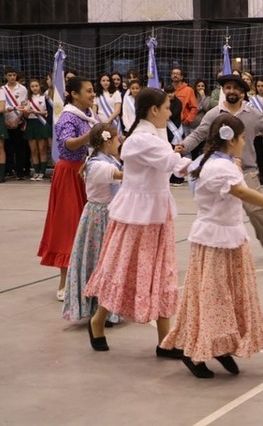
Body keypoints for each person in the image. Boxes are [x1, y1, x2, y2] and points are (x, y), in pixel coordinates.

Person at [160, 114, 263, 379]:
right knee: (215, 296)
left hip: (225, 235)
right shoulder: (219, 168)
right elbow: (241, 192)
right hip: (217, 239)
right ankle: (195, 351)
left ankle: (219, 345)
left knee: (226, 295)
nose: (244, 142)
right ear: (229, 139)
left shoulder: (210, 161)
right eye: (242, 137)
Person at [84, 87, 191, 355]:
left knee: (160, 273)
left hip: (155, 213)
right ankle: (98, 320)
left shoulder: (151, 135)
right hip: (137, 216)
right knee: (125, 269)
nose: (169, 113)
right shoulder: (143, 139)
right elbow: (173, 164)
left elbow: (170, 162)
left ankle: (164, 339)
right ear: (153, 110)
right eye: (167, 107)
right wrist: (211, 164)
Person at [177, 74, 263, 260]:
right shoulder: (213, 114)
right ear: (223, 91)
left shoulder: (252, 114)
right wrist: (183, 146)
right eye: (228, 87)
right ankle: (220, 247)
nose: (232, 91)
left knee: (255, 210)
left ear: (243, 93)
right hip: (220, 170)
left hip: (247, 171)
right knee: (220, 212)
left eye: (236, 88)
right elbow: (198, 134)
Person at [38, 77, 97, 301]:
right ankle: (64, 283)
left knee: (86, 226)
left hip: (86, 173)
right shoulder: (68, 117)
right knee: (69, 225)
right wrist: (89, 136)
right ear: (74, 94)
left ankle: (85, 278)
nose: (92, 94)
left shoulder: (90, 115)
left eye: (93, 91)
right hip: (70, 174)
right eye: (88, 91)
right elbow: (66, 144)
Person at [62, 123, 123, 322]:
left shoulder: (107, 160)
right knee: (99, 260)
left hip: (107, 214)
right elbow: (123, 176)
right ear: (107, 141)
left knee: (106, 261)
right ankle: (98, 307)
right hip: (100, 217)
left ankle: (106, 307)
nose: (119, 142)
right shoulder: (99, 165)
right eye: (116, 139)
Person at [22, 78, 51, 180]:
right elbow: (25, 115)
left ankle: (42, 172)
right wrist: (25, 111)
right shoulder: (27, 100)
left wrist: (34, 112)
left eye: (36, 86)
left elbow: (47, 112)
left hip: (41, 123)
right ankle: (36, 172)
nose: (34, 88)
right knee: (33, 150)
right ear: (30, 88)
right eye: (32, 86)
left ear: (40, 86)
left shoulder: (44, 97)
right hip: (31, 124)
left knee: (42, 149)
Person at [3, 67, 30, 180]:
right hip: (6, 122)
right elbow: (2, 106)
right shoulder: (2, 89)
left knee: (19, 148)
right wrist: (5, 121)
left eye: (14, 75)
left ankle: (20, 171)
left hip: (18, 121)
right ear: (5, 76)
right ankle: (8, 170)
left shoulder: (22, 89)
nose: (12, 77)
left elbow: (24, 106)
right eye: (10, 75)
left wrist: (17, 120)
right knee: (7, 148)